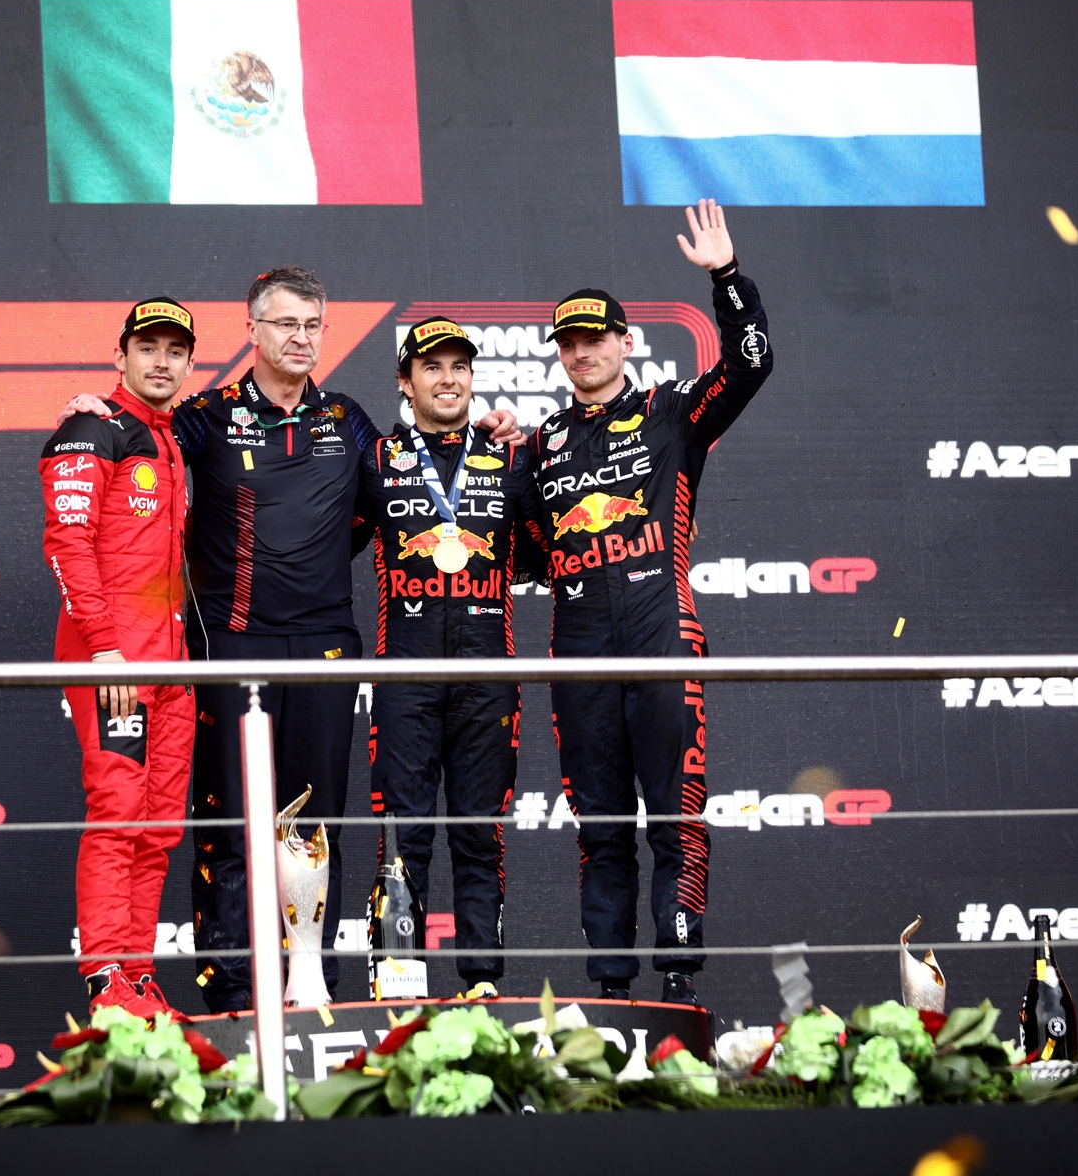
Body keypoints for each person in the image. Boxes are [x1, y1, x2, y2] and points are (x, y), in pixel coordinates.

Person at [59, 270, 523, 1013]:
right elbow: (138, 435)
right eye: (285, 324)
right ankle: (235, 996)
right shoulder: (206, 416)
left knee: (311, 828)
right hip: (231, 650)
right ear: (252, 330)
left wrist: (490, 434)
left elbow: (406, 486)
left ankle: (313, 989)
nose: (300, 338)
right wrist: (93, 407)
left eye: (312, 325)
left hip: (324, 650)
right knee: (231, 829)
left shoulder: (347, 418)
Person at [532, 199, 772, 1004]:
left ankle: (678, 987)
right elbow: (523, 548)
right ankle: (610, 996)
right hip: (578, 654)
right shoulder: (541, 444)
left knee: (676, 818)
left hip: (662, 635)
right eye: (569, 343)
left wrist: (726, 277)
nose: (583, 352)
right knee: (601, 833)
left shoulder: (670, 412)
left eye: (596, 338)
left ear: (626, 342)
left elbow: (751, 364)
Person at [361, 317, 548, 1000]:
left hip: (487, 676)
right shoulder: (375, 459)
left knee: (479, 836)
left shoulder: (509, 458)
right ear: (405, 382)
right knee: (402, 835)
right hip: (405, 674)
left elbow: (548, 553)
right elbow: (323, 538)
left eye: (459, 366)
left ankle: (482, 985)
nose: (448, 379)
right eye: (432, 367)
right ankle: (397, 984)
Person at [40, 298, 197, 1017]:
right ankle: (106, 982)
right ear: (120, 356)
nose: (161, 362)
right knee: (118, 813)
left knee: (159, 828)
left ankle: (138, 978)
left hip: (171, 665)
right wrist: (105, 649)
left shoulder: (171, 438)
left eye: (175, 351)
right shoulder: (89, 429)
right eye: (148, 348)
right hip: (113, 663)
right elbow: (66, 543)